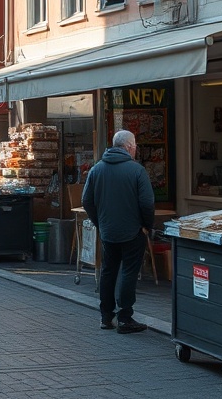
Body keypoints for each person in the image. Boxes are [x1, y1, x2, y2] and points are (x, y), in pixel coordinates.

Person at [81, 129, 155, 335]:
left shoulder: (97, 170)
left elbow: (86, 200)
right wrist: (147, 226)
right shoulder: (137, 170)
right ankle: (125, 317)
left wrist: (99, 222)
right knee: (129, 272)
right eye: (135, 146)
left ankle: (106, 316)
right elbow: (147, 203)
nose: (136, 149)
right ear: (130, 147)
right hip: (133, 231)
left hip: (108, 231)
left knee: (108, 271)